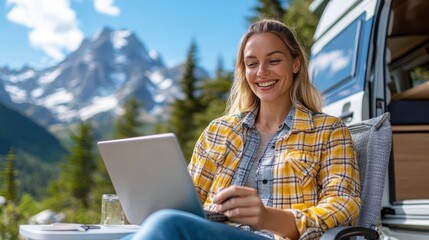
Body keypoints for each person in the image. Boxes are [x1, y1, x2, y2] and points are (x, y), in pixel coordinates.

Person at [124, 18, 361, 240]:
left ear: (296, 63)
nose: (261, 72)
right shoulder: (218, 132)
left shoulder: (329, 131)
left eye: (274, 61)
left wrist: (268, 217)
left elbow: (343, 205)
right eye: (251, 64)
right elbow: (188, 202)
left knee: (167, 224)